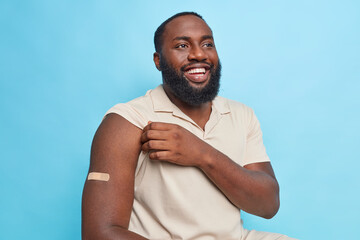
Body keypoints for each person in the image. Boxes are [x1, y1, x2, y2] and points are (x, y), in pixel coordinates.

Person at [82, 12, 296, 240]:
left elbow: (268, 205)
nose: (198, 54)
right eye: (182, 45)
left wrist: (202, 153)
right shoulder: (127, 120)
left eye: (207, 44)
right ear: (158, 60)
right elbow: (100, 233)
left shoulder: (242, 114)